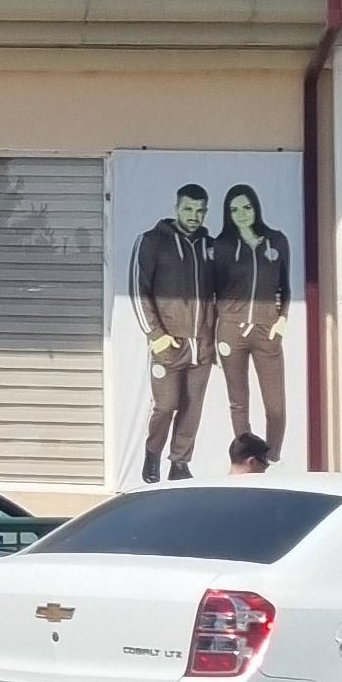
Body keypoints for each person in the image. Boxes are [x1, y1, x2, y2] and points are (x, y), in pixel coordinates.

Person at [131, 184, 217, 482]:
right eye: (188, 209)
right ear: (176, 208)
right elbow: (138, 290)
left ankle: (179, 462)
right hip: (168, 343)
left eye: (200, 210)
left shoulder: (209, 246)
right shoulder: (152, 242)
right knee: (166, 405)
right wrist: (156, 335)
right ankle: (152, 453)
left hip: (201, 345)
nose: (194, 216)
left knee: (192, 408)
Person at [208, 182, 294, 472]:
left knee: (275, 406)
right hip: (230, 330)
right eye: (234, 210)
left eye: (246, 207)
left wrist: (281, 319)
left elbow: (285, 285)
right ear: (228, 214)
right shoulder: (221, 247)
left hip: (266, 329)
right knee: (239, 403)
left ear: (255, 208)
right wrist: (213, 336)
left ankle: (272, 458)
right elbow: (211, 293)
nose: (241, 214)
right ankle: (245, 461)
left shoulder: (277, 241)